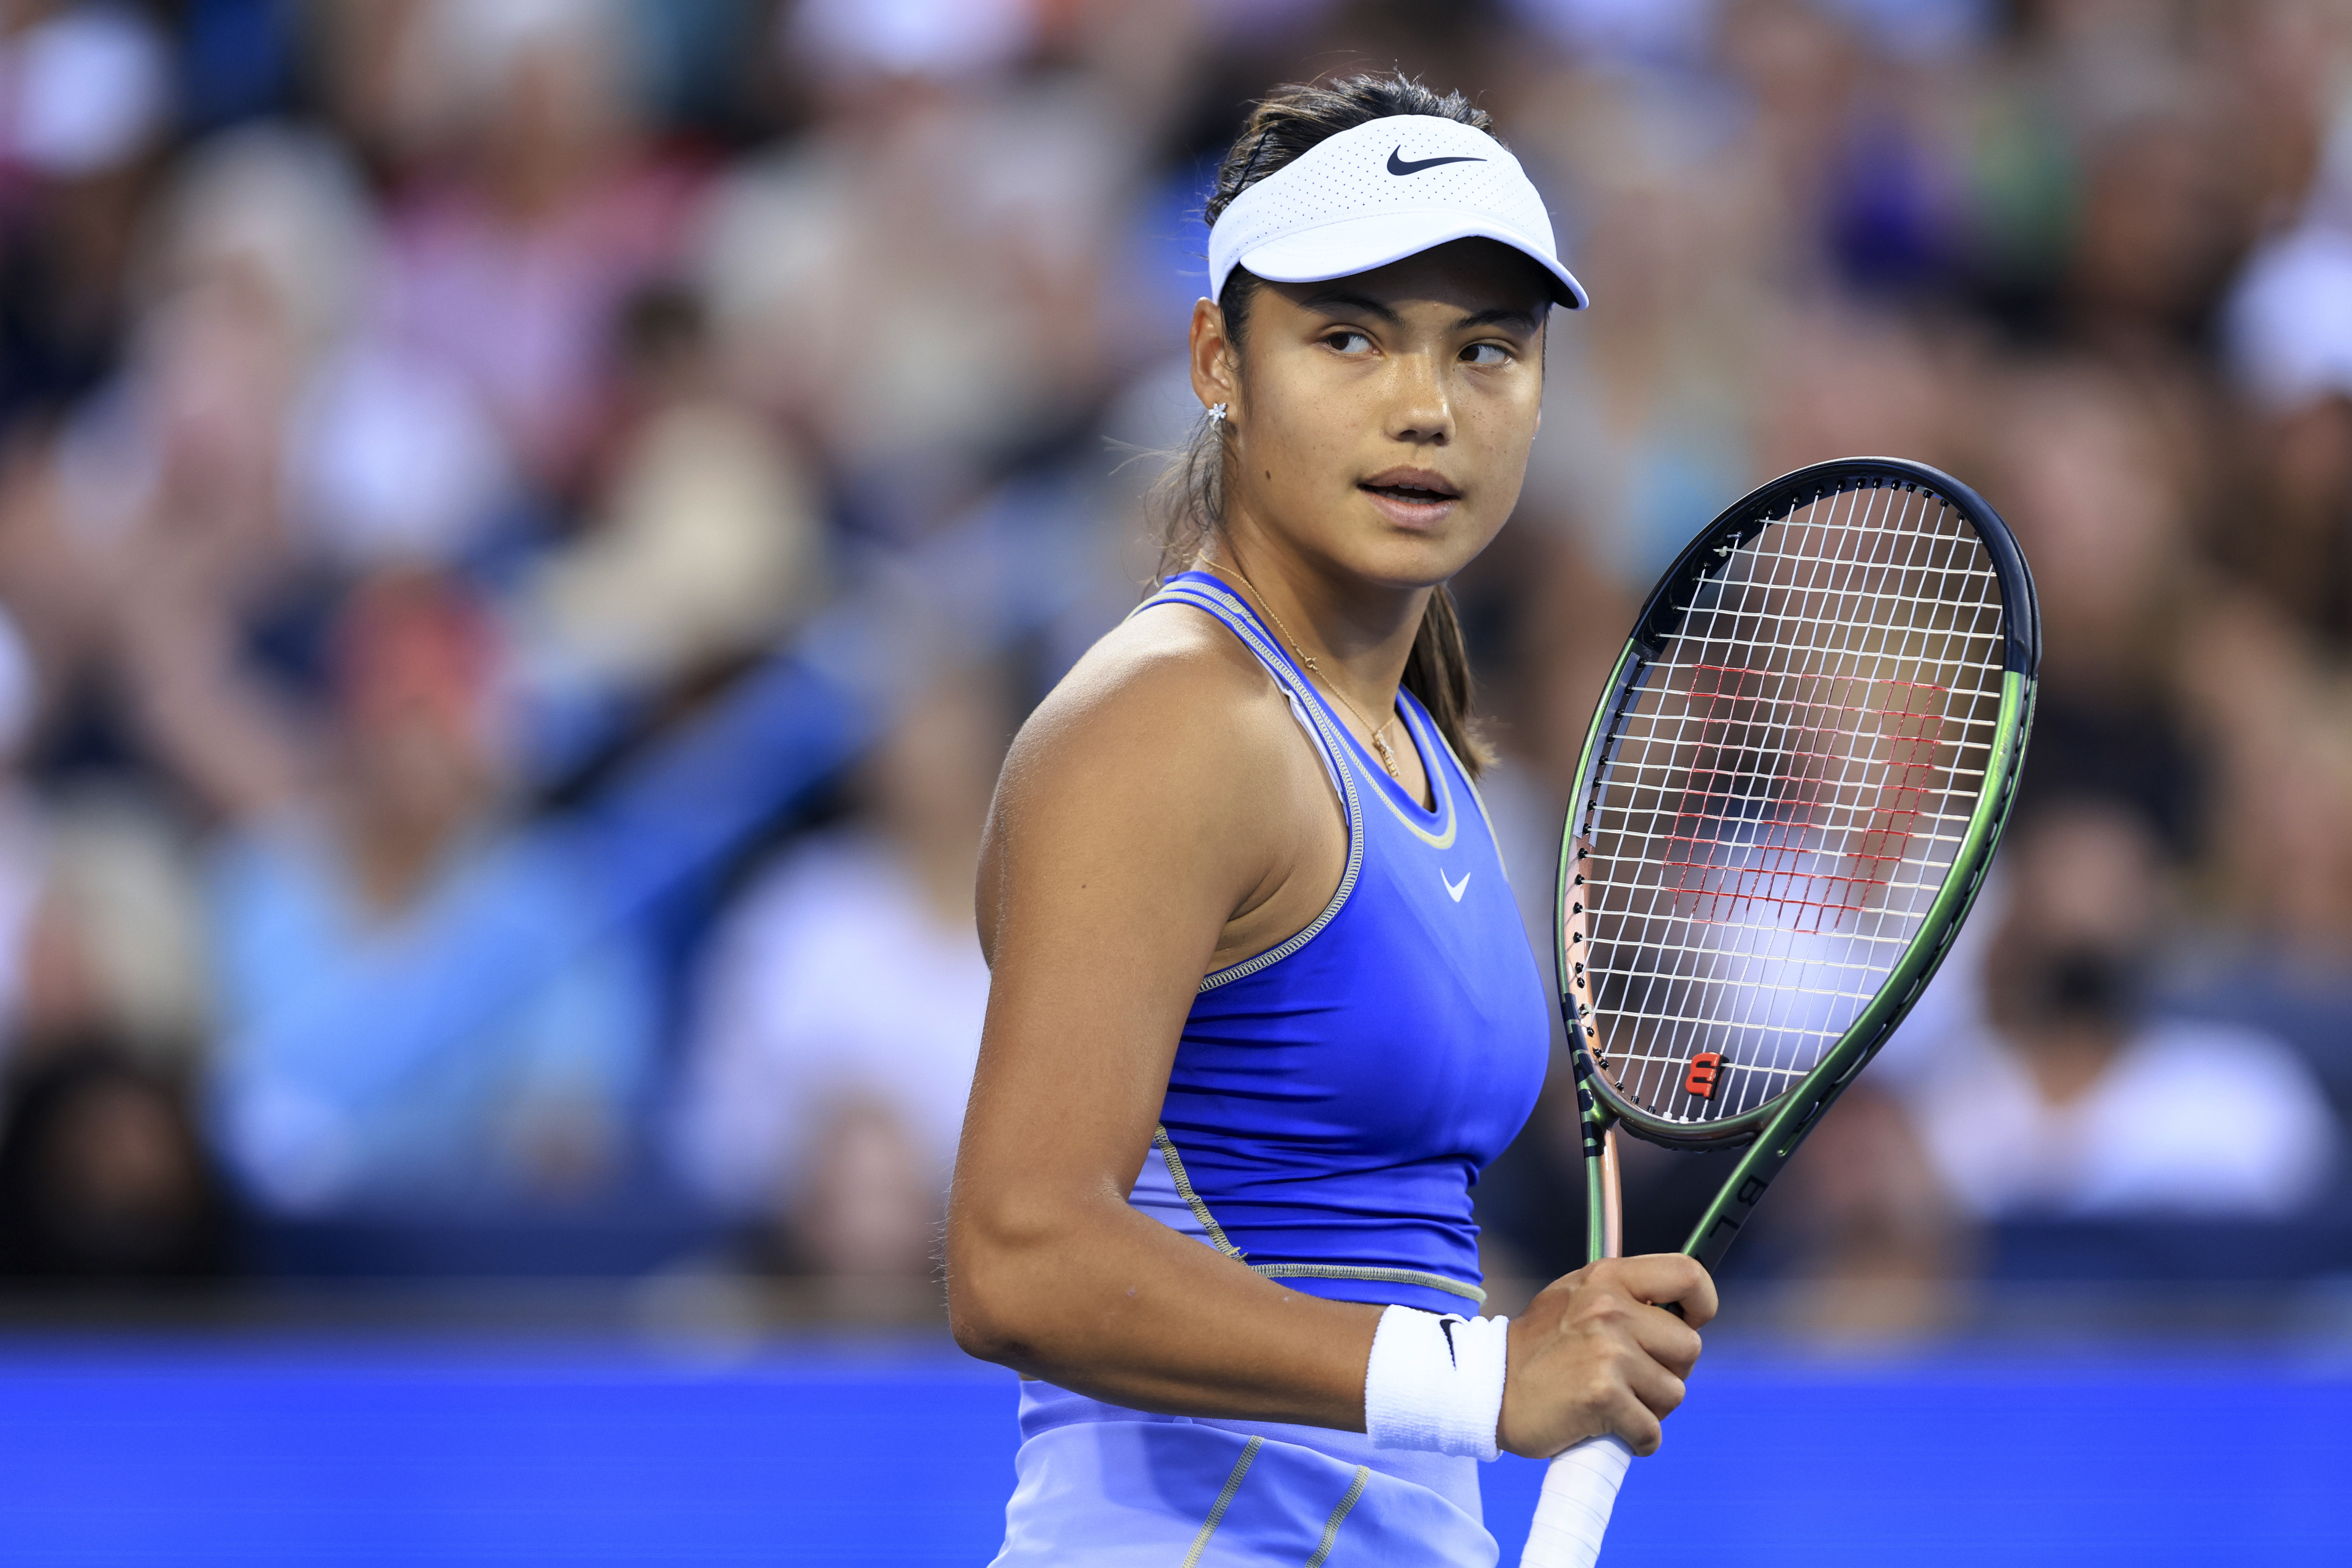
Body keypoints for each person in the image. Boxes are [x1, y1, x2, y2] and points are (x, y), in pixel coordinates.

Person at [948, 76, 1715, 1564]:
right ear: (1216, 360)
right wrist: (1484, 1377)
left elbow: (1348, 1241)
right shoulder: (1170, 723)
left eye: (1485, 349)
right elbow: (1016, 1258)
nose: (1426, 406)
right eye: (1348, 336)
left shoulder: (1420, 747)